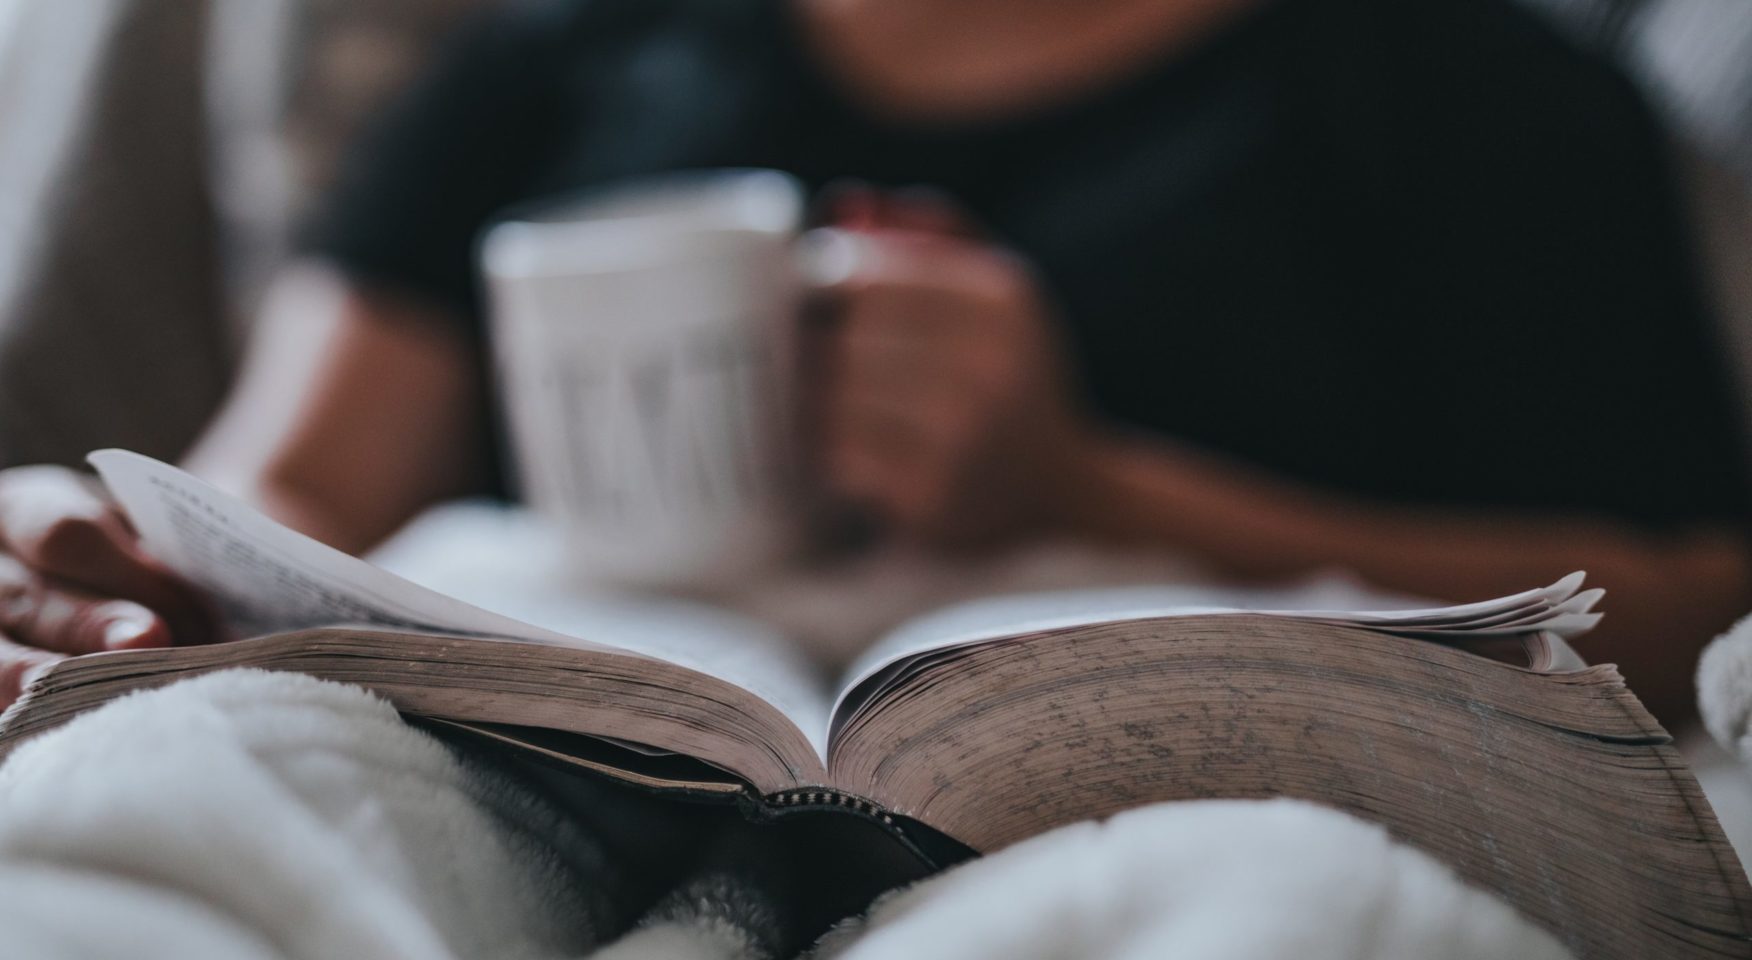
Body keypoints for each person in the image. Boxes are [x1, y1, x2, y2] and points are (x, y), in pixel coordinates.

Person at [0, 0, 1746, 723]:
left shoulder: (1469, 91)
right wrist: (85, 551)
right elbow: (277, 488)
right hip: (563, 746)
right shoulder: (550, 62)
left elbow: (1691, 605)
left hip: (1158, 779)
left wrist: (1088, 489)